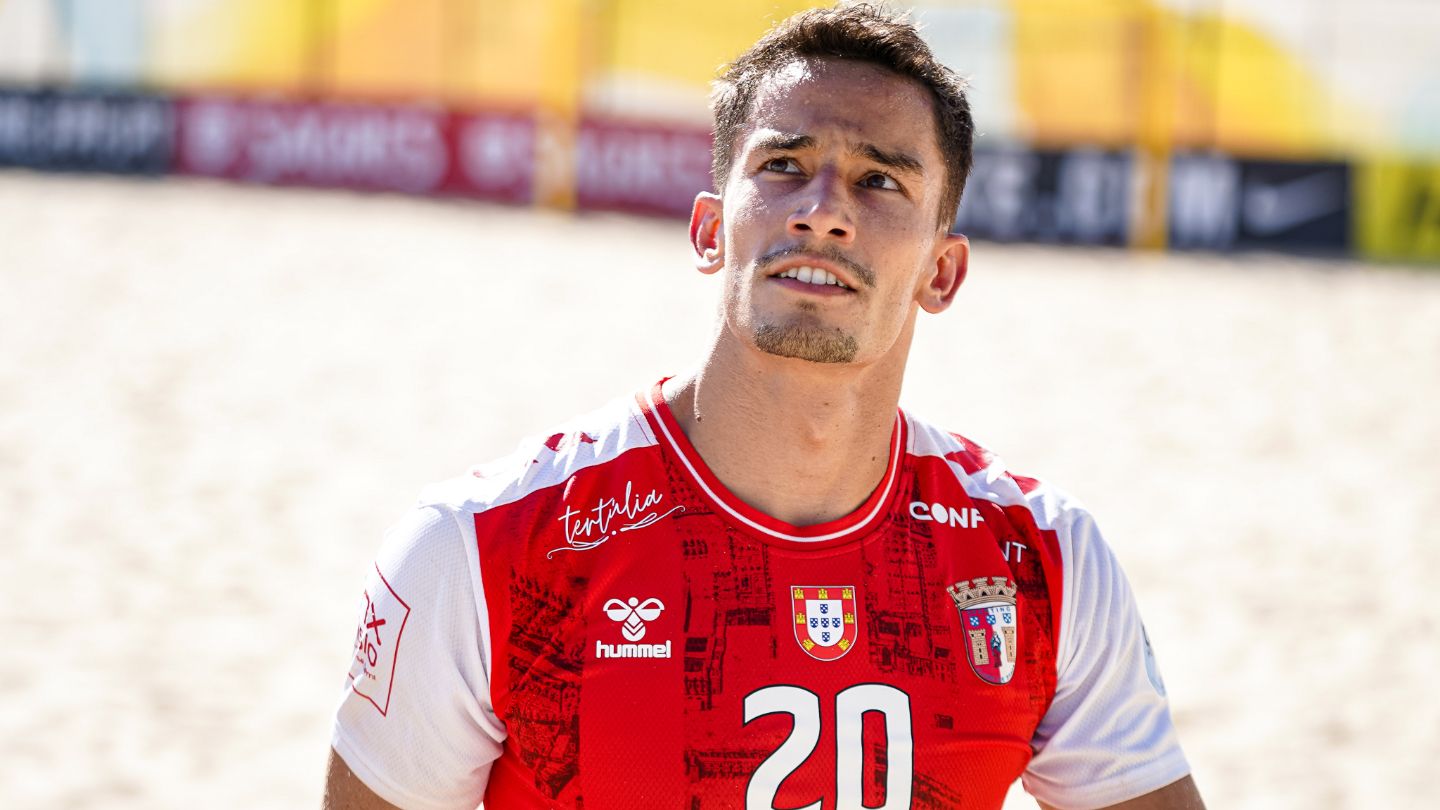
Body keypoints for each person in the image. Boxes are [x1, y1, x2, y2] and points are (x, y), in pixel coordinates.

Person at [323, 4, 1205, 808]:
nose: (823, 213)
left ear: (942, 272)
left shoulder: (1043, 560)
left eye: (880, 181)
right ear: (710, 229)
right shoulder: (482, 549)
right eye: (784, 167)